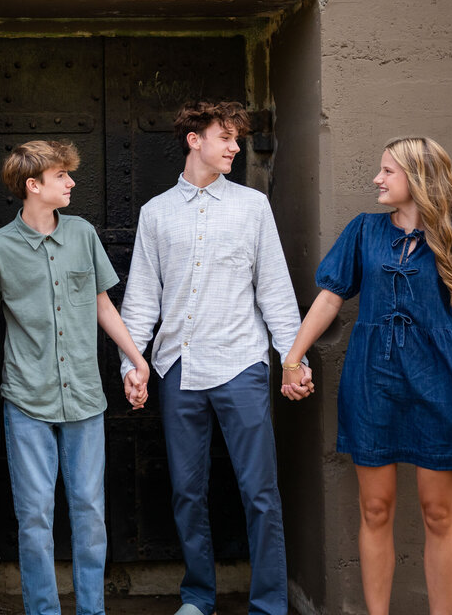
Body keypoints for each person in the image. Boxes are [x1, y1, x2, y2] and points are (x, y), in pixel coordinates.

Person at [279, 137, 452, 615]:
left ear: (419, 180)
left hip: (440, 385)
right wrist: (293, 357)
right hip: (372, 383)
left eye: (388, 171)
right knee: (375, 509)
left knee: (439, 513)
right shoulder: (364, 231)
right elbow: (329, 297)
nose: (377, 179)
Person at [120, 101, 303, 615]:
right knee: (186, 492)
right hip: (177, 369)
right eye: (224, 136)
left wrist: (293, 359)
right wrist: (132, 365)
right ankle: (198, 597)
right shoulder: (155, 213)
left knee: (260, 492)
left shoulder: (252, 207)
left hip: (242, 363)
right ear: (193, 139)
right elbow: (140, 301)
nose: (235, 146)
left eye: (238, 138)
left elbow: (275, 290)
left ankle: (268, 605)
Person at [0, 140, 150, 615]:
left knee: (89, 512)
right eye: (62, 176)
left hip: (85, 399)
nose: (72, 183)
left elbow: (102, 305)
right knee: (34, 516)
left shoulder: (82, 234)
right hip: (26, 398)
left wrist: (137, 358)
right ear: (33, 186)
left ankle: (91, 610)